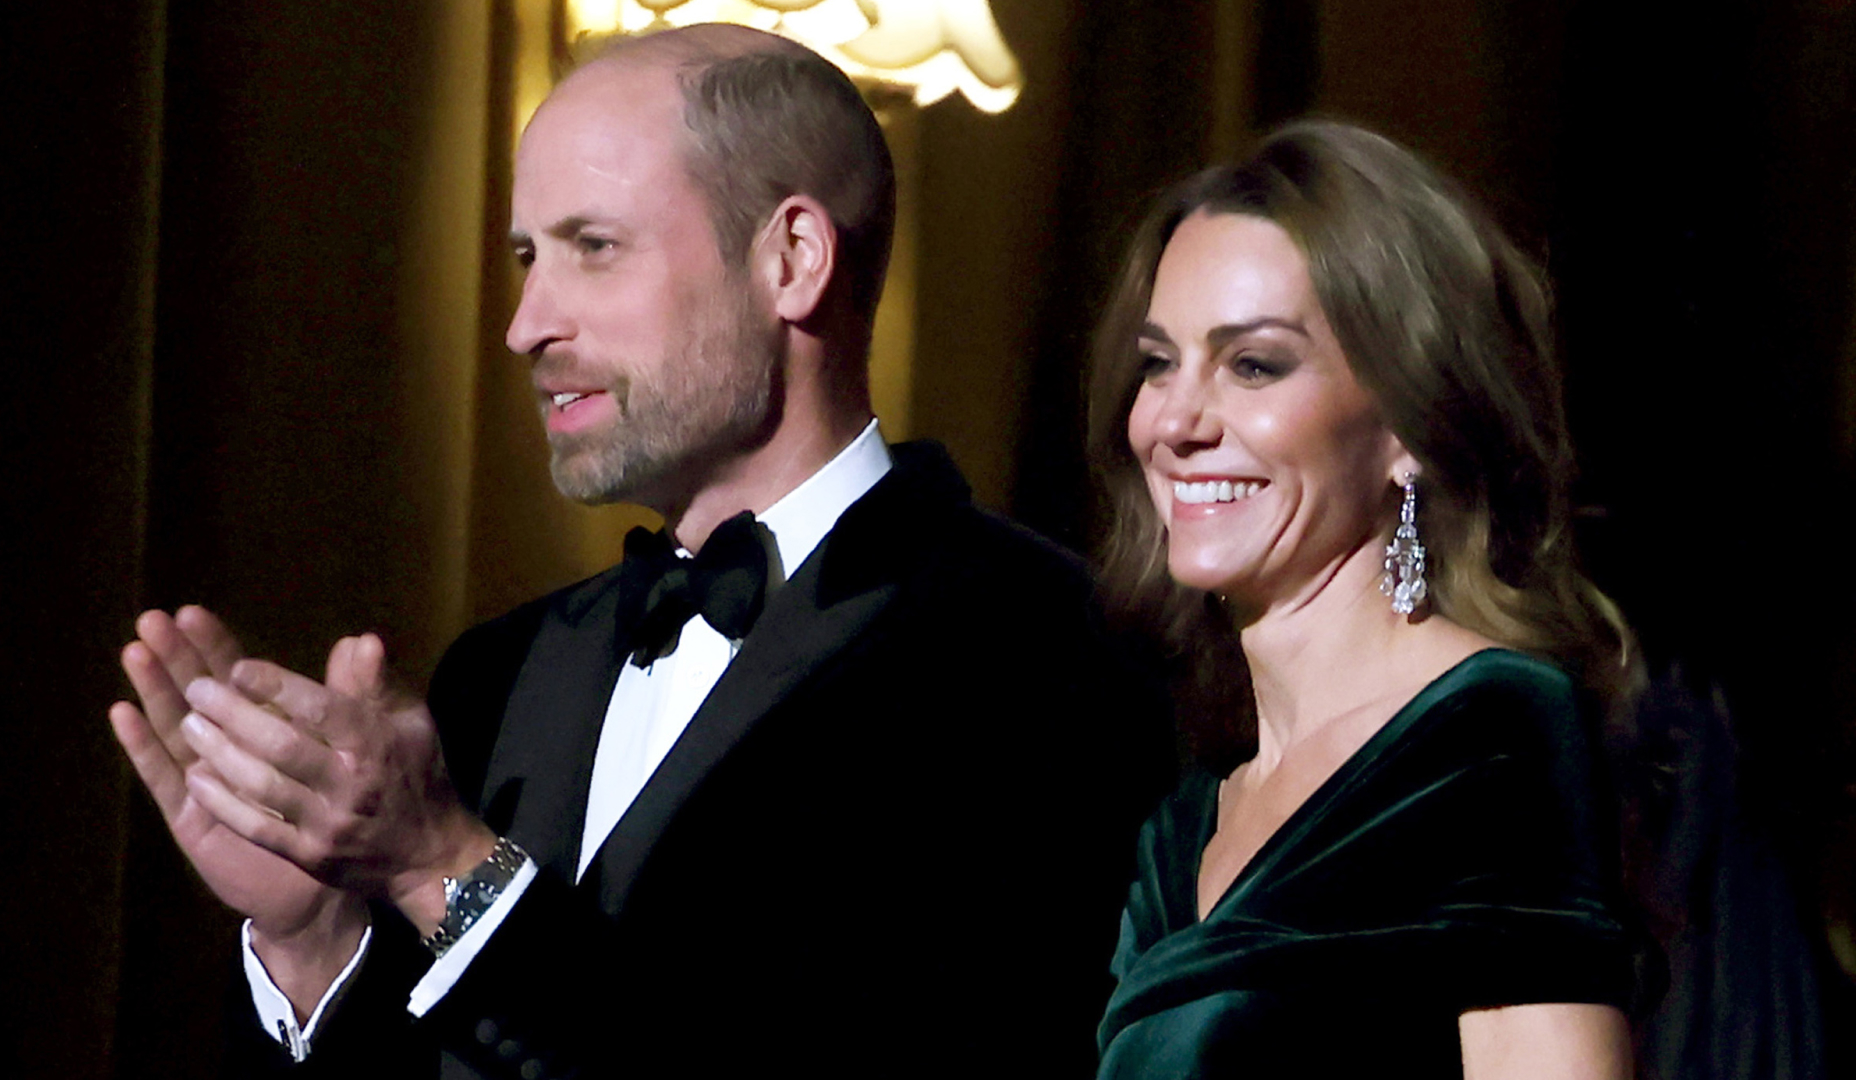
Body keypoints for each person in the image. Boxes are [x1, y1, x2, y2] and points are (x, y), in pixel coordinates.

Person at [109, 25, 1165, 1079]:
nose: (525, 324)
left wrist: (446, 868)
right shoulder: (497, 671)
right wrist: (314, 943)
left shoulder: (1045, 651)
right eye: (529, 257)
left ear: (791, 259)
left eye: (593, 247)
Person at [1083, 119, 1641, 1078]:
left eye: (1252, 364)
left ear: (1406, 425)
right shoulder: (1184, 829)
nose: (1174, 420)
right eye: (1160, 361)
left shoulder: (1489, 735)